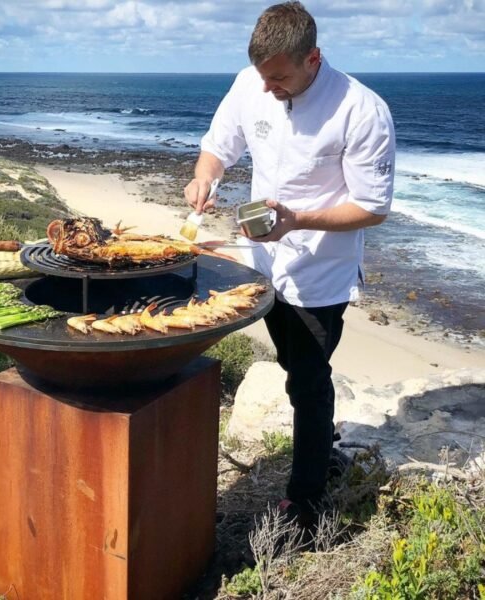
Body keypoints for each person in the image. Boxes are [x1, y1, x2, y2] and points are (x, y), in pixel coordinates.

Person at [184, 1, 395, 528]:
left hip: (319, 271)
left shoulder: (361, 110)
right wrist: (204, 178)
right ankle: (323, 445)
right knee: (285, 364)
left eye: (279, 78)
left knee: (306, 377)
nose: (268, 89)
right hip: (259, 258)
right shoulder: (250, 83)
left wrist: (297, 219)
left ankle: (305, 502)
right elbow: (218, 146)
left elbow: (373, 207)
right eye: (263, 77)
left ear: (313, 59)